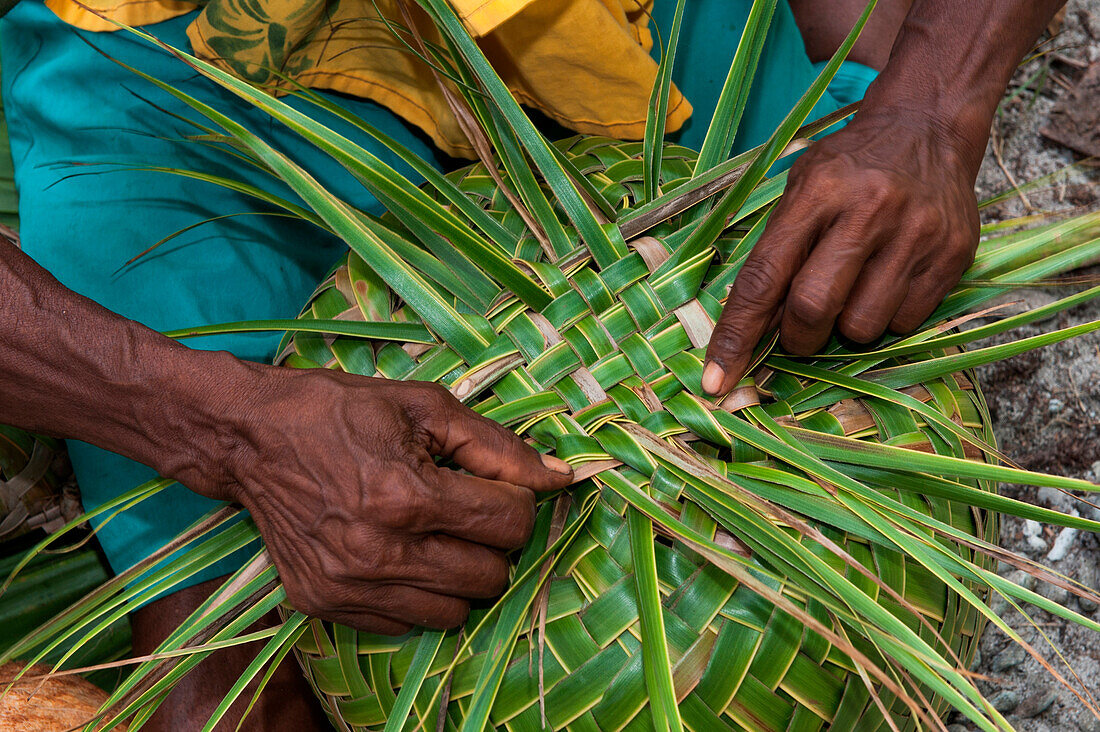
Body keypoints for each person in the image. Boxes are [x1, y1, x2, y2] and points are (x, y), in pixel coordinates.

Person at [0, 0, 1066, 728]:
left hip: (618, 18)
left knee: (853, 414)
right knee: (228, 692)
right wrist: (219, 427)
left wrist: (929, 104)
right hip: (187, 71)